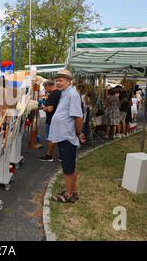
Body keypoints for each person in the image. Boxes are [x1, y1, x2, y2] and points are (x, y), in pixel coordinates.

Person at [48, 69, 85, 203]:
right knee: (70, 166)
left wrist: (78, 133)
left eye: (61, 80)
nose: (58, 83)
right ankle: (72, 192)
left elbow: (78, 117)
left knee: (68, 168)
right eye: (56, 80)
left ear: (69, 81)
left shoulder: (72, 94)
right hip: (64, 135)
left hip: (67, 136)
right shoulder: (65, 93)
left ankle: (68, 195)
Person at [38, 80, 61, 162]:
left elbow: (50, 109)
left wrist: (43, 107)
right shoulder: (59, 93)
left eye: (45, 88)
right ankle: (61, 156)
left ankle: (49, 155)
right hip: (58, 118)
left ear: (48, 86)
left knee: (51, 138)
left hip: (51, 119)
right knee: (59, 137)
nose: (45, 90)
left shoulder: (52, 95)